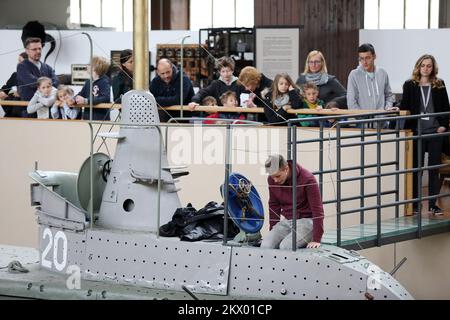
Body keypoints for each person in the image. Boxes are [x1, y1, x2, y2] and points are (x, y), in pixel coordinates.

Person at [400, 54, 450, 215]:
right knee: (417, 168)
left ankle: (433, 204)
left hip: (435, 132)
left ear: (433, 68)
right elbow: (404, 106)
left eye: (429, 66)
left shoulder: (439, 84)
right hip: (417, 132)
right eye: (423, 65)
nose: (426, 68)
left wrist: (442, 126)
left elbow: (446, 108)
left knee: (433, 169)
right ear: (418, 67)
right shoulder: (410, 85)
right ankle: (415, 204)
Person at [261, 154, 324, 250]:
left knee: (286, 247)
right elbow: (274, 205)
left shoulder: (308, 179)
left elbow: (317, 209)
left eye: (277, 176)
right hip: (287, 221)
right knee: (266, 245)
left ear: (286, 169)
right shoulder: (272, 180)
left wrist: (317, 238)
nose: (275, 180)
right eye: (272, 177)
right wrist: (272, 231)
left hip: (306, 221)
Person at [347, 43, 396, 112]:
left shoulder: (383, 73)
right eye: (361, 58)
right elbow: (351, 101)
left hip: (382, 120)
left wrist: (387, 109)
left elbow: (389, 95)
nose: (364, 62)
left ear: (374, 56)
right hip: (362, 121)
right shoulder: (354, 75)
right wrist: (363, 119)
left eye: (367, 58)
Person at [17, 37, 59, 117]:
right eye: (34, 49)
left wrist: (45, 85)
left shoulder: (47, 67)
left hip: (48, 112)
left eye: (39, 49)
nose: (38, 51)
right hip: (31, 112)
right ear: (27, 51)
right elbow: (32, 82)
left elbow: (56, 82)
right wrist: (49, 85)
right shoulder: (22, 67)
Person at [150, 58, 195, 122]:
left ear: (172, 68)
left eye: (168, 72)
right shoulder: (155, 81)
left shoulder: (183, 79)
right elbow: (149, 100)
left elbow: (178, 100)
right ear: (158, 72)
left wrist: (156, 100)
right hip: (163, 120)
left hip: (184, 120)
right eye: (162, 73)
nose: (166, 76)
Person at [75, 56, 111, 120]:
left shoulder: (105, 81)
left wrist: (86, 101)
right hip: (87, 117)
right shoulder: (88, 81)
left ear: (94, 67)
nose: (87, 66)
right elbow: (81, 94)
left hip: (100, 118)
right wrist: (74, 99)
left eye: (89, 64)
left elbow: (106, 98)